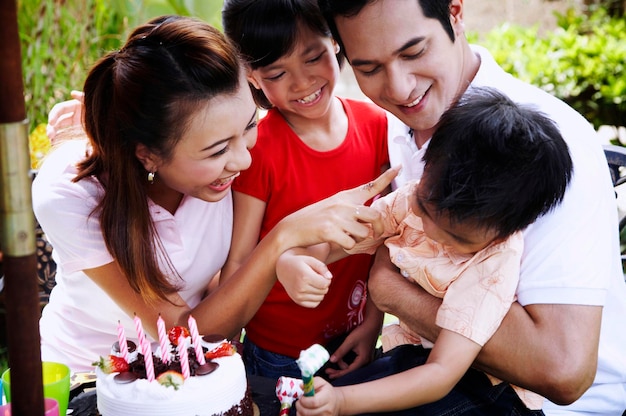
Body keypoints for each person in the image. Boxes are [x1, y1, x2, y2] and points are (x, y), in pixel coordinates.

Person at [300, 1, 626, 415]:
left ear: (455, 12)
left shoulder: (540, 151)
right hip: (438, 365)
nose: (399, 88)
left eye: (414, 52)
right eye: (369, 69)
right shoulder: (406, 123)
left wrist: (391, 292)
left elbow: (563, 372)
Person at [32, 15, 399, 373]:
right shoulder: (71, 195)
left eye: (249, 126)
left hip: (200, 375)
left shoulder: (223, 158)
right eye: (218, 150)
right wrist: (281, 240)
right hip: (88, 375)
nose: (243, 159)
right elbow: (182, 334)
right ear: (148, 154)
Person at [285, 87, 573, 415]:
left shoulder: (493, 262)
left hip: (486, 388)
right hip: (421, 354)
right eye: (424, 208)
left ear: (505, 231)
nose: (430, 229)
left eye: (456, 236)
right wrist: (295, 260)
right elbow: (336, 241)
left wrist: (342, 402)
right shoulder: (412, 198)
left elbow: (441, 374)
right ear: (426, 163)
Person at [219, 0, 389, 381]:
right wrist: (225, 349)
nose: (302, 82)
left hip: (353, 336)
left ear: (336, 42)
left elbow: (387, 243)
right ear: (252, 75)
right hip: (279, 354)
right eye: (278, 73)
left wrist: (372, 324)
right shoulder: (258, 149)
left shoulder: (376, 126)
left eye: (313, 58)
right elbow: (239, 260)